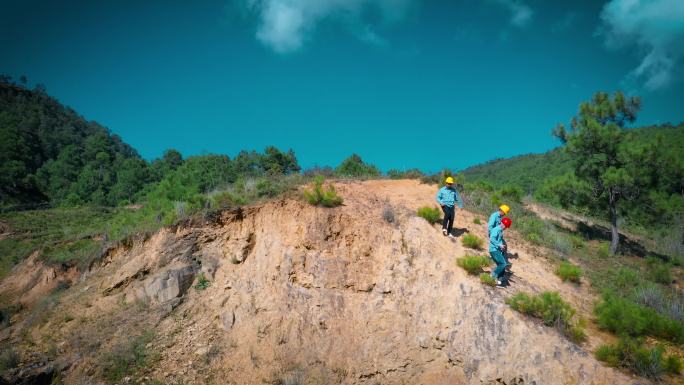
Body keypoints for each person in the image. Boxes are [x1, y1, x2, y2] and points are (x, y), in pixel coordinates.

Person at [490, 217, 512, 287]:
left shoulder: (500, 230)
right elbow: (492, 239)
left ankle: (499, 282)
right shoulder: (496, 229)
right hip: (494, 250)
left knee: (502, 266)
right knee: (503, 264)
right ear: (503, 224)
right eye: (506, 226)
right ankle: (492, 276)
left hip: (497, 250)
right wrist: (499, 245)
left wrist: (501, 247)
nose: (506, 228)